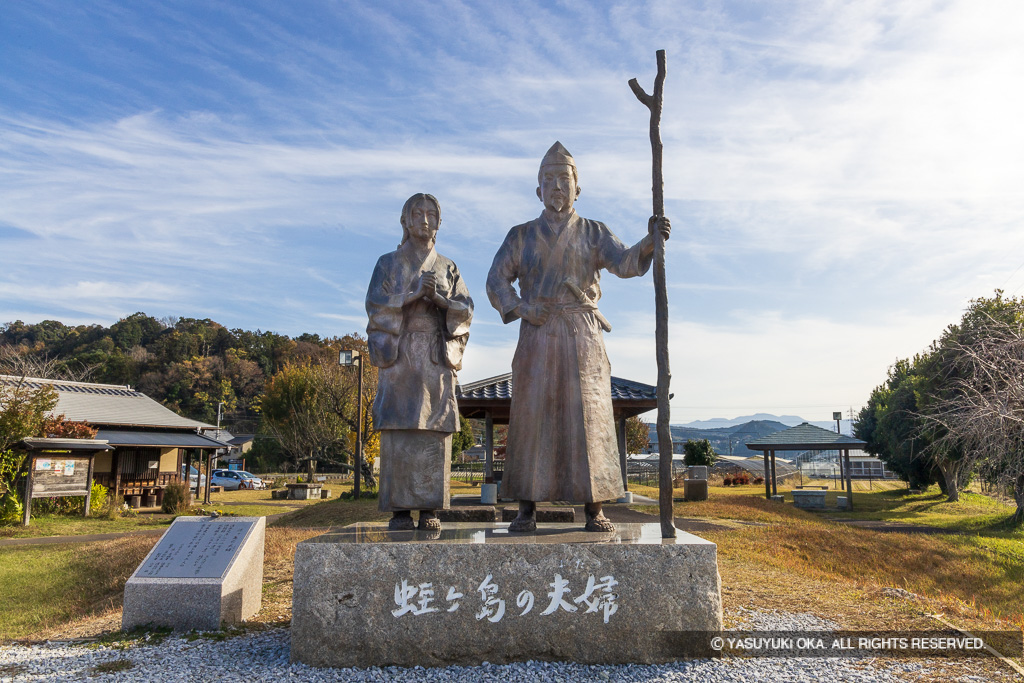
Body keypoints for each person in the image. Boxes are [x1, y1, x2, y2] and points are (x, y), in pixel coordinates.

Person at [486, 142, 670, 532]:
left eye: (563, 179)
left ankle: (595, 505)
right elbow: (496, 279)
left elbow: (624, 262)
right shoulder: (521, 235)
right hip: (537, 332)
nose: (556, 186)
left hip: (582, 335)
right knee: (532, 414)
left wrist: (650, 239)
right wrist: (521, 307)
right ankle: (526, 507)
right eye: (548, 180)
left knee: (590, 414)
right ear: (538, 190)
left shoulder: (593, 232)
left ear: (577, 189)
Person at [366, 193, 473, 531]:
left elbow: (466, 309)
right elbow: (375, 305)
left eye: (431, 214)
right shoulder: (388, 262)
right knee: (399, 423)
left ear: (438, 223)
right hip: (400, 357)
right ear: (406, 221)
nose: (424, 220)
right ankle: (399, 509)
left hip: (434, 356)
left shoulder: (448, 266)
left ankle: (429, 508)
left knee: (434, 425)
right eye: (418, 213)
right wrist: (411, 295)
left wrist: (439, 299)